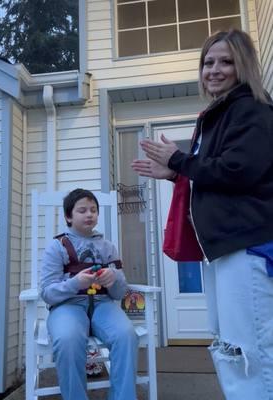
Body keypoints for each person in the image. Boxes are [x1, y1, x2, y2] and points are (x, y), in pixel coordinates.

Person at [132, 29, 273, 400]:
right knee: (230, 346)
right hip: (225, 250)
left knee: (250, 351)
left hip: (247, 248)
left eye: (226, 61)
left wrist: (179, 160)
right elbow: (217, 169)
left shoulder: (252, 110)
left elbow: (238, 170)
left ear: (244, 66)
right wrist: (178, 172)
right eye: (208, 62)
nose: (214, 69)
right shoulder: (220, 113)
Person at [40, 188, 138, 400]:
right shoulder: (57, 247)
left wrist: (114, 278)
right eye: (82, 210)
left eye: (93, 210)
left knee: (126, 335)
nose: (89, 214)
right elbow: (47, 293)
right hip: (68, 306)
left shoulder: (108, 247)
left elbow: (120, 293)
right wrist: (75, 283)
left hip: (103, 304)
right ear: (68, 216)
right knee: (67, 339)